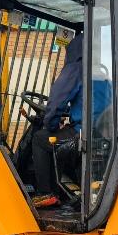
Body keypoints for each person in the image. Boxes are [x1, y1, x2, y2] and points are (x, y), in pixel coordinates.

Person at [31, 33, 83, 208]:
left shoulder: (75, 69)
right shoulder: (101, 71)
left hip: (81, 134)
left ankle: (45, 193)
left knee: (40, 138)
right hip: (100, 132)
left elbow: (57, 100)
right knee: (59, 137)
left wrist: (51, 124)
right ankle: (61, 191)